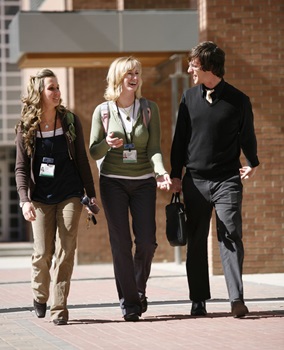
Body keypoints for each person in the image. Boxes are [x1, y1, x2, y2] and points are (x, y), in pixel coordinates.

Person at [170, 41, 259, 318]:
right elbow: (179, 140)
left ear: (208, 67)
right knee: (196, 240)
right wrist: (175, 174)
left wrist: (252, 162)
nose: (189, 69)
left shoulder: (239, 100)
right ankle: (198, 300)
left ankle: (236, 298)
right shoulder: (188, 98)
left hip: (227, 180)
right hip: (194, 181)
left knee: (230, 234)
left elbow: (247, 136)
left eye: (193, 65)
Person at [89, 56, 171, 321]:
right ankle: (130, 303)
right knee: (121, 243)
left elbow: (155, 148)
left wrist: (160, 171)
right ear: (118, 78)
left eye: (137, 73)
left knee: (147, 242)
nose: (134, 77)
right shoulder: (102, 111)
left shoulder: (149, 109)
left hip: (144, 181)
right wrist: (108, 145)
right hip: (113, 182)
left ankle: (137, 288)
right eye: (128, 74)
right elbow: (93, 150)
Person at [15, 68, 97, 326]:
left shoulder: (70, 121)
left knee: (66, 249)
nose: (57, 92)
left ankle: (59, 307)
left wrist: (91, 196)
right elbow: (20, 167)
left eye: (58, 87)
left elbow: (82, 159)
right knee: (42, 252)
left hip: (70, 194)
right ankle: (40, 294)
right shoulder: (26, 126)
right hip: (39, 197)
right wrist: (24, 200)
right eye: (51, 88)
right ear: (39, 92)